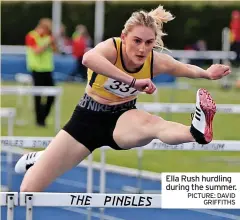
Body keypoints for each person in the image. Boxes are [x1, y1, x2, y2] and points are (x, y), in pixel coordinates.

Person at [16, 5, 230, 192]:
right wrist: (132, 81)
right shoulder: (112, 48)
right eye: (137, 41)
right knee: (29, 188)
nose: (142, 48)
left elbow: (183, 68)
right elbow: (89, 58)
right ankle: (42, 158)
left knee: (153, 124)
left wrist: (207, 73)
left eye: (148, 42)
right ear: (124, 36)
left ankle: (195, 132)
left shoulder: (155, 60)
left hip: (123, 117)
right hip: (86, 120)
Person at [25, 18, 56, 127]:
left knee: (52, 95)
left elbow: (56, 50)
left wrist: (53, 42)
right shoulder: (31, 36)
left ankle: (44, 116)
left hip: (48, 69)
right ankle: (39, 120)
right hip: (36, 70)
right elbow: (37, 51)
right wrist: (47, 43)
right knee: (37, 96)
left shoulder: (48, 37)